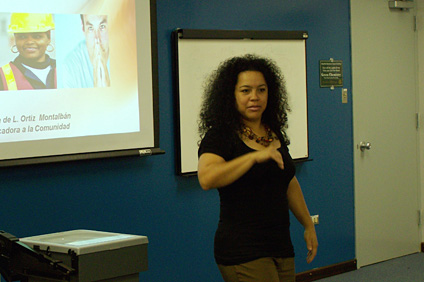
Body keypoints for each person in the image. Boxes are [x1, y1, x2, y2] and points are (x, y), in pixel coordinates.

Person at [197, 54, 318, 282]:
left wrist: (308, 224)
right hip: (242, 248)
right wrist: (253, 158)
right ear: (230, 95)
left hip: (280, 244)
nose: (254, 97)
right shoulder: (220, 135)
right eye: (245, 91)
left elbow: (287, 180)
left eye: (261, 90)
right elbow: (206, 178)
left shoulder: (273, 131)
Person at [0, 13, 56, 90]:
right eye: (22, 37)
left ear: (48, 37)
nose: (29, 42)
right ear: (15, 38)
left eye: (37, 36)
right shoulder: (2, 76)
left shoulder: (64, 69)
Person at [61, 14, 110, 88]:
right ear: (83, 28)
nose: (97, 39)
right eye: (90, 28)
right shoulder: (71, 65)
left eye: (102, 27)